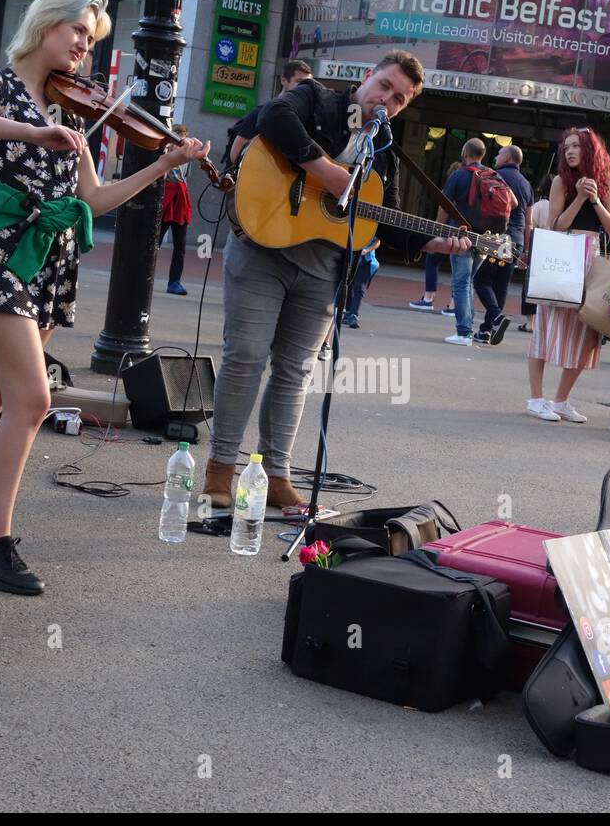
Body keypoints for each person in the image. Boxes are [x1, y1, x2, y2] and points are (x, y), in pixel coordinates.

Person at [0, 0, 208, 595]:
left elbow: (93, 199)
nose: (83, 46)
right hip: (4, 253)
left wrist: (160, 165)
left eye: (91, 39)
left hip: (50, 260)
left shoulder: (74, 111)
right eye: (77, 30)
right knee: (33, 399)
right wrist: (32, 136)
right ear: (45, 23)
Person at [202, 50, 471, 508]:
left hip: (324, 270)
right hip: (262, 247)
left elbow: (379, 218)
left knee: (295, 371)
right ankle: (221, 468)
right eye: (385, 86)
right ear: (367, 78)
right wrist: (325, 171)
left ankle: (275, 473)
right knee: (245, 355)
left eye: (401, 98)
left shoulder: (382, 150)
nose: (388, 99)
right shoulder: (317, 99)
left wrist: (438, 243)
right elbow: (274, 116)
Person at [526, 126, 610, 423]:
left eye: (576, 146)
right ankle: (536, 398)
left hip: (591, 258)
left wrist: (594, 200)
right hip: (562, 254)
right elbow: (556, 225)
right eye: (566, 147)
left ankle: (561, 400)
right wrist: (577, 198)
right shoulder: (560, 181)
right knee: (545, 325)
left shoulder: (605, 182)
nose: (570, 151)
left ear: (590, 149)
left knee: (587, 332)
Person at [437, 137, 514, 346]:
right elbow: (513, 202)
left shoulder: (459, 175)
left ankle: (464, 332)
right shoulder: (494, 175)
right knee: (468, 281)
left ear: (464, 153)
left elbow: (444, 205)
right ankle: (467, 329)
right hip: (486, 239)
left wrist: (438, 232)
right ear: (482, 155)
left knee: (461, 283)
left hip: (462, 235)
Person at [473, 144, 533, 345]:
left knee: (481, 281)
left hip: (498, 237)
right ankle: (487, 330)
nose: (496, 156)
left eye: (499, 153)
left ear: (507, 157)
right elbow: (529, 220)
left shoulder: (494, 176)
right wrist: (525, 250)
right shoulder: (526, 184)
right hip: (516, 239)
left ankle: (496, 317)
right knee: (501, 285)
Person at [227, 60, 313, 165]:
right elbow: (234, 156)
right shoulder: (260, 113)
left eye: (307, 83)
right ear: (283, 80)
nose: (304, 88)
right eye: (299, 81)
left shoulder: (302, 118)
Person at [410, 160, 462, 312]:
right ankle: (454, 304)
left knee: (432, 260)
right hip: (462, 232)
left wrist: (436, 230)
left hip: (447, 230)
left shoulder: (450, 188)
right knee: (458, 269)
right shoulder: (468, 188)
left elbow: (443, 210)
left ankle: (428, 297)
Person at [515, 173, 553, 332]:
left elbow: (529, 227)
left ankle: (530, 322)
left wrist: (526, 250)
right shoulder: (558, 207)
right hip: (552, 249)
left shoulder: (538, 206)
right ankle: (544, 323)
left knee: (530, 285)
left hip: (537, 247)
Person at [160, 124, 193, 295]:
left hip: (180, 198)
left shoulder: (187, 156)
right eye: (176, 140)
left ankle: (174, 281)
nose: (178, 145)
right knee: (154, 241)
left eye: (182, 140)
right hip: (166, 196)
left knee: (180, 245)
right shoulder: (164, 153)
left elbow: (185, 178)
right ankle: (141, 274)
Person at [344, 239, 379, 328]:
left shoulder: (370, 226)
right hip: (350, 258)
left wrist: (366, 250)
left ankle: (353, 315)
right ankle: (348, 313)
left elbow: (377, 241)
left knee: (359, 288)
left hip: (365, 261)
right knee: (348, 285)